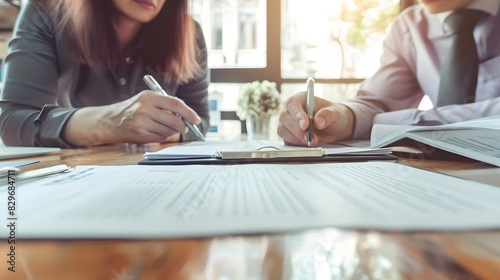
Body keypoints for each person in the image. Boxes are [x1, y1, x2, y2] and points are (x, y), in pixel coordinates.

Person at [278, 0, 500, 147]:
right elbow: (377, 102)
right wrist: (342, 117)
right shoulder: (410, 27)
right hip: (446, 173)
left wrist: (379, 121)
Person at [0, 0, 209, 147]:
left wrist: (165, 130)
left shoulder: (188, 34)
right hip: (72, 177)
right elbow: (14, 121)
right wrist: (111, 122)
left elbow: (200, 122)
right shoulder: (45, 12)